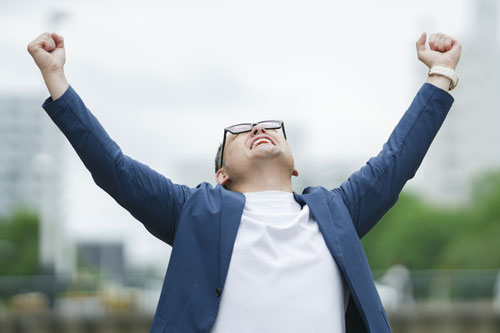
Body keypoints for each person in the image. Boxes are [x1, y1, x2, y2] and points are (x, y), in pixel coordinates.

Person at [27, 31, 461, 332]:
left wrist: (440, 74)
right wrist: (56, 78)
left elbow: (395, 162)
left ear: (295, 166)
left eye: (272, 127)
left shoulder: (337, 213)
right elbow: (114, 169)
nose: (258, 129)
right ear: (221, 175)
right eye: (240, 132)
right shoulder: (195, 213)